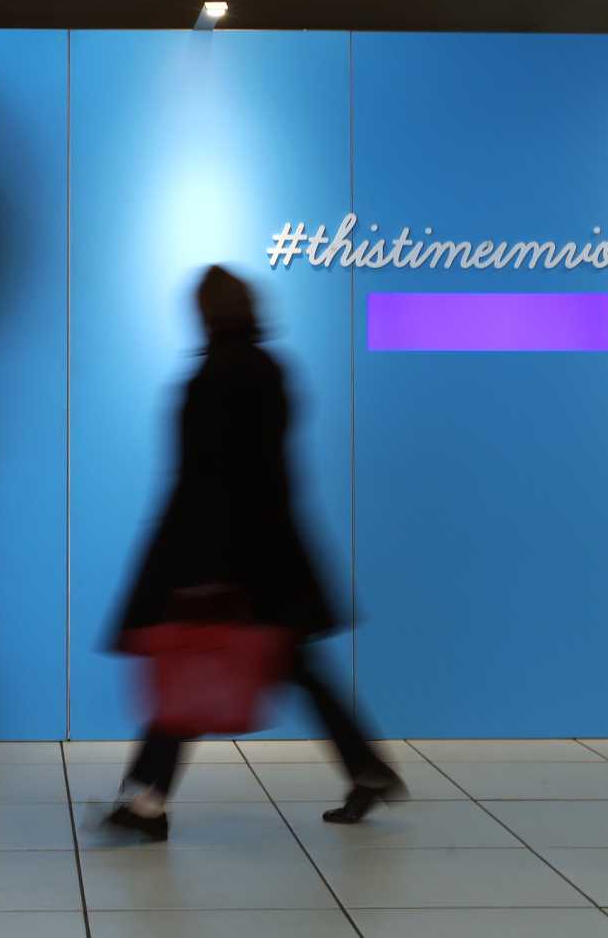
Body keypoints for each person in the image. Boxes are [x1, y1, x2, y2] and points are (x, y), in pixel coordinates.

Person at [107, 265, 403, 841]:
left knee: (187, 666)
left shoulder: (209, 379)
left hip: (221, 558)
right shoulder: (272, 369)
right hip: (274, 556)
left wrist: (188, 570)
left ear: (203, 313)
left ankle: (146, 801)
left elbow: (202, 483)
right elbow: (265, 474)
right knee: (296, 669)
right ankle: (368, 770)